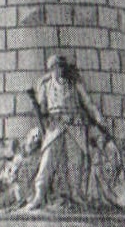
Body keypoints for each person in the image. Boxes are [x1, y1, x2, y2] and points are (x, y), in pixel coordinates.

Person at [26, 54, 115, 210]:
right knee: (48, 160)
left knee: (76, 162)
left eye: (61, 67)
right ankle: (39, 194)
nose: (58, 71)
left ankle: (76, 193)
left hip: (75, 126)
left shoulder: (74, 85)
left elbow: (88, 104)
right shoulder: (46, 86)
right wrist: (38, 106)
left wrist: (100, 120)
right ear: (51, 69)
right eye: (55, 68)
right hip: (55, 127)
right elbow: (43, 109)